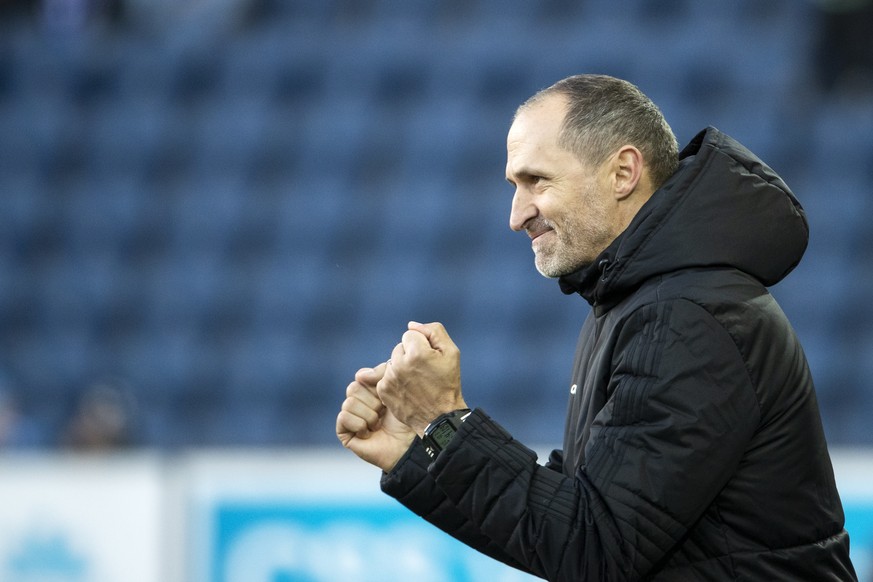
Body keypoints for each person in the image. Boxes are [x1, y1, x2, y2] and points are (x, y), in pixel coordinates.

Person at [336, 74, 857, 581]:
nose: (516, 215)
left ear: (623, 172)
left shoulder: (688, 316)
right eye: (514, 185)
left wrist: (444, 419)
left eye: (536, 180)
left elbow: (594, 548)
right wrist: (420, 447)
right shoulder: (640, 301)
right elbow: (564, 521)